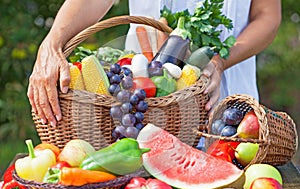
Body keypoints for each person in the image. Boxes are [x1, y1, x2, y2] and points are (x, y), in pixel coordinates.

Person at [27, 0, 281, 127]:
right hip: (138, 99)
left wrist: (219, 62)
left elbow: (267, 15)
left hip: (229, 103)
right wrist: (52, 43)